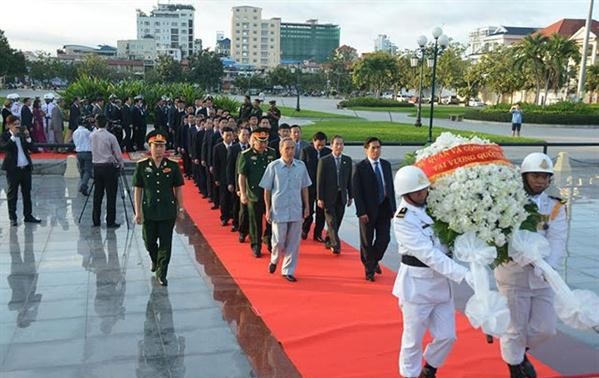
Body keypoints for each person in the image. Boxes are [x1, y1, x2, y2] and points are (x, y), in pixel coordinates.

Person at [392, 165, 473, 378]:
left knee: (448, 336)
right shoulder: (403, 219)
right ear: (405, 193)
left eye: (425, 189)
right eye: (417, 191)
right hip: (416, 287)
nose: (423, 193)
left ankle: (429, 368)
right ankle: (410, 375)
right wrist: (462, 274)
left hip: (440, 285)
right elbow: (429, 255)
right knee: (412, 340)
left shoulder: (434, 207)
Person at [495, 152, 567, 378]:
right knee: (515, 328)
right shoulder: (508, 202)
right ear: (524, 176)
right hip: (514, 274)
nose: (541, 182)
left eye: (546, 177)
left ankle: (518, 352)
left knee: (545, 329)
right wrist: (530, 261)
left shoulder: (555, 206)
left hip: (543, 275)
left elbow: (558, 238)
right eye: (536, 176)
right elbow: (505, 239)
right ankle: (515, 368)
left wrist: (548, 267)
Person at [133, 130, 184, 286]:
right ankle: (155, 260)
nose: (160, 149)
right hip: (149, 210)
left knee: (166, 243)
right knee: (148, 241)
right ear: (150, 147)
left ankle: (162, 272)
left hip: (167, 210)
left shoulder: (172, 166)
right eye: (156, 146)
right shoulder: (142, 166)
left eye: (162, 146)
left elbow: (178, 188)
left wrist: (180, 208)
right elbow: (138, 189)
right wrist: (138, 212)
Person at [260, 137, 311, 282]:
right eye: (287, 148)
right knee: (278, 241)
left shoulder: (301, 166)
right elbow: (267, 190)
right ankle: (274, 259)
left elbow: (305, 187)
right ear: (281, 149)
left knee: (294, 242)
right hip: (279, 209)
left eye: (292, 148)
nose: (290, 151)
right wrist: (268, 209)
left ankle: (288, 270)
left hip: (296, 208)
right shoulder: (274, 166)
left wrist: (307, 206)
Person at [352, 137, 396, 281]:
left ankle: (372, 261)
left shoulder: (386, 165)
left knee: (384, 238)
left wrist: (393, 208)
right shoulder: (360, 167)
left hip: (384, 207)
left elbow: (390, 188)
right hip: (368, 210)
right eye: (373, 148)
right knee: (367, 241)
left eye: (378, 147)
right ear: (366, 150)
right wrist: (361, 212)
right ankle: (369, 270)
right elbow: (357, 192)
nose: (376, 150)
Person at [238, 127, 277, 257]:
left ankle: (270, 242)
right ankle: (256, 245)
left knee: (271, 220)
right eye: (260, 141)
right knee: (255, 222)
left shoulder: (272, 153)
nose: (263, 144)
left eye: (265, 141)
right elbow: (242, 176)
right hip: (254, 194)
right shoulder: (246, 155)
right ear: (253, 140)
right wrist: (243, 193)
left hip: (271, 194)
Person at [0, 116, 42, 226]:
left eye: (19, 124)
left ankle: (28, 215)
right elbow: (4, 148)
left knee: (27, 193)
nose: (18, 127)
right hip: (13, 169)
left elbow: (33, 149)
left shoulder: (23, 134)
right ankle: (13, 218)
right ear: (9, 125)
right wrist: (13, 136)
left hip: (25, 168)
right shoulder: (5, 136)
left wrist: (28, 137)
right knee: (12, 194)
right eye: (15, 124)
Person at [316, 135, 353, 254]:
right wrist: (319, 198)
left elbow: (349, 180)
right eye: (336, 144)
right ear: (331, 145)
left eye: (341, 144)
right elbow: (320, 181)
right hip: (328, 197)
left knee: (338, 220)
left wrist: (351, 195)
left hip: (341, 195)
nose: (339, 146)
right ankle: (336, 245)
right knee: (331, 221)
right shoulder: (324, 160)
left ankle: (328, 239)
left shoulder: (347, 160)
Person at [90, 114, 125, 228]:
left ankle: (96, 220)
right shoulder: (110, 137)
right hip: (109, 167)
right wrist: (121, 164)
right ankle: (110, 221)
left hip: (97, 166)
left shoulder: (92, 135)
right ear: (106, 123)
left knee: (97, 194)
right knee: (111, 195)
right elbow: (118, 153)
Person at [227, 127, 250, 239]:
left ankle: (250, 230)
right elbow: (231, 168)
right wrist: (232, 183)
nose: (245, 137)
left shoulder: (252, 149)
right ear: (238, 135)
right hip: (238, 183)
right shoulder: (234, 149)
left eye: (247, 135)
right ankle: (238, 225)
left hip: (251, 185)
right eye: (243, 135)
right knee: (239, 207)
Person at [213, 127, 235, 226]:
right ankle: (224, 217)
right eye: (227, 135)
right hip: (222, 177)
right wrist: (216, 178)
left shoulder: (236, 147)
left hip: (234, 177)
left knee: (233, 199)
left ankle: (234, 217)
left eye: (231, 135)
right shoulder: (218, 147)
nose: (229, 137)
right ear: (222, 136)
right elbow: (215, 164)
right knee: (224, 198)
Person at [72, 118, 93, 196]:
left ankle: (82, 183)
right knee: (88, 170)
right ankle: (84, 185)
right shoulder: (87, 132)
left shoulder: (75, 132)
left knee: (82, 170)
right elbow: (92, 138)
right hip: (87, 152)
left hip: (79, 152)